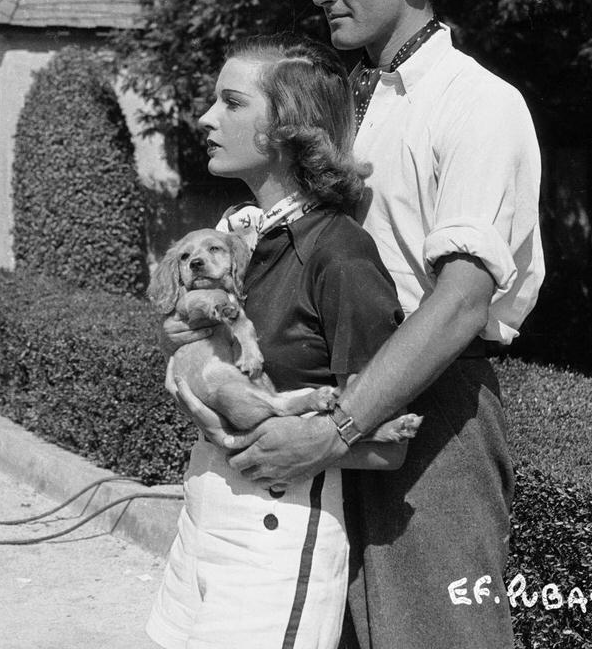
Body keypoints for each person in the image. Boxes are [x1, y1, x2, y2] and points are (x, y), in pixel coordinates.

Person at [176, 0, 543, 649]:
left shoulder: (479, 102)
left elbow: (462, 300)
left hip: (431, 415)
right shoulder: (347, 102)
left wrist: (338, 429)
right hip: (333, 403)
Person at [146, 35, 410, 649]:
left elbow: (387, 445)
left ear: (287, 128)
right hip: (202, 508)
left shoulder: (338, 253)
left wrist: (292, 442)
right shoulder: (239, 240)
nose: (206, 117)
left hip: (276, 533)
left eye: (232, 102)